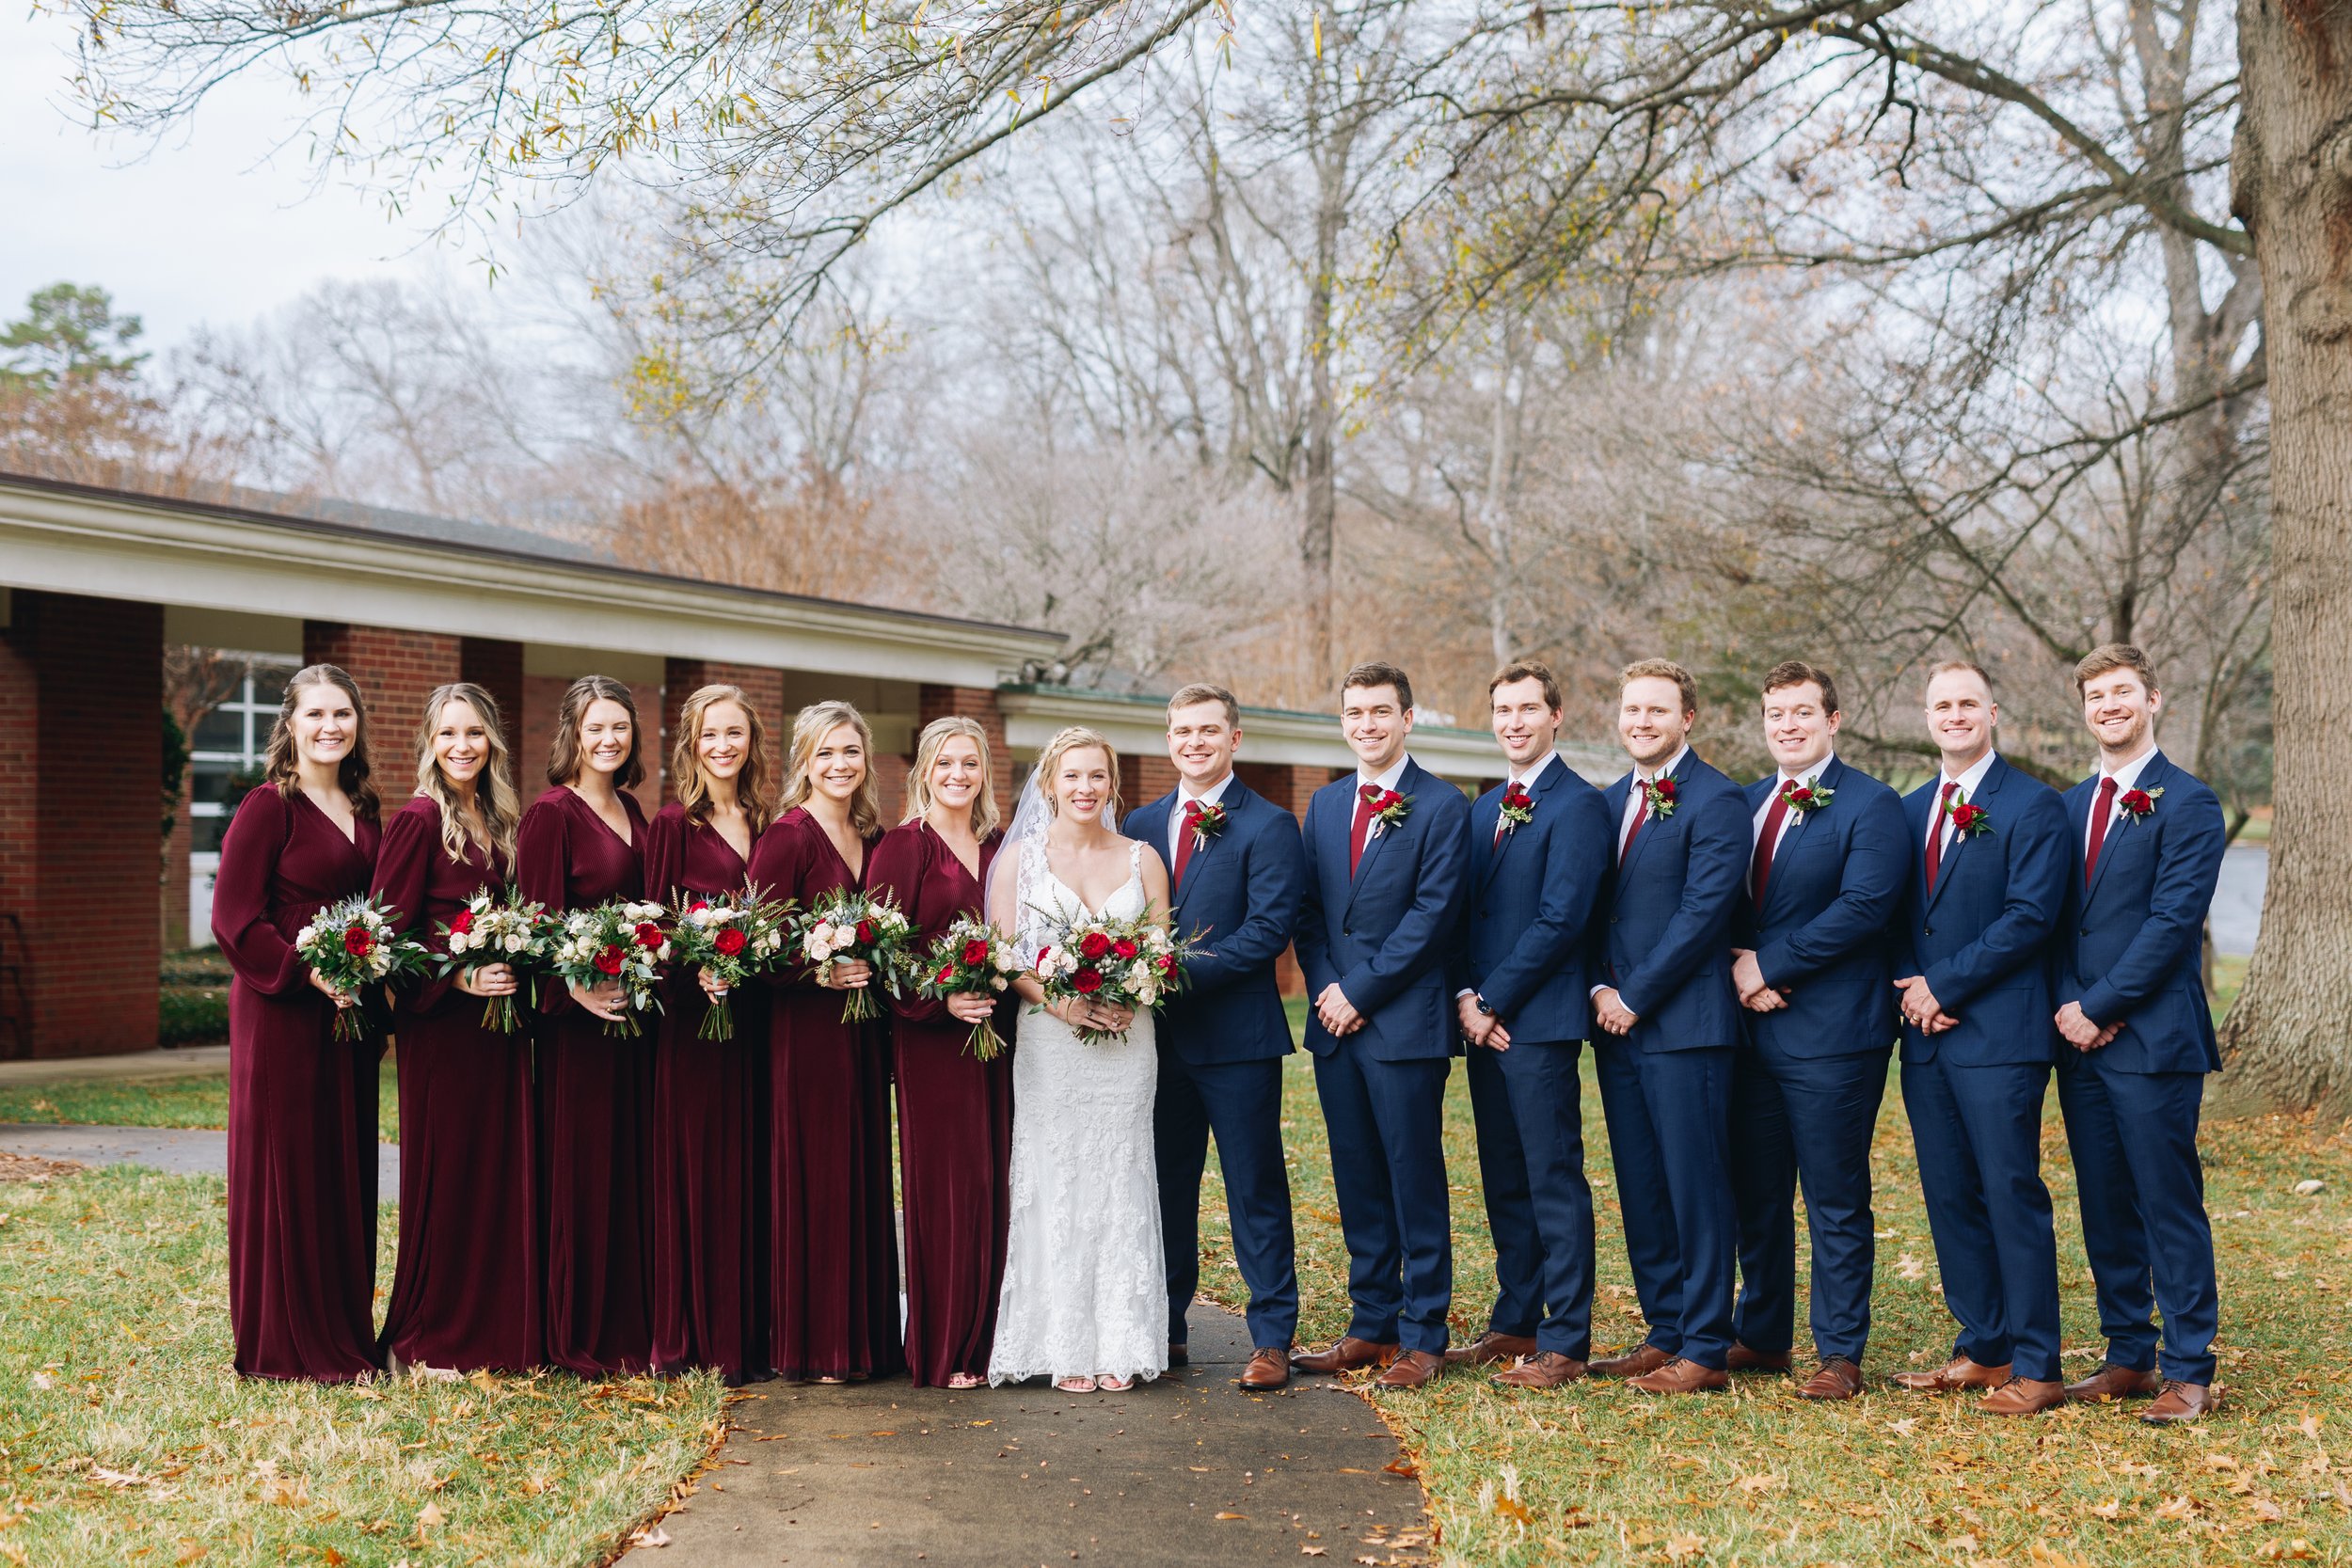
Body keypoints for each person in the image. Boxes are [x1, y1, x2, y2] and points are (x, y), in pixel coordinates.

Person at [2050, 644, 2228, 1424]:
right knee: (2103, 1200)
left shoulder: (2188, 802)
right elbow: (2051, 921)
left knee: (2166, 1202)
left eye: (2122, 691)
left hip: (2153, 1038)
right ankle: (2128, 1352)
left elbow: (2172, 923)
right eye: (2095, 695)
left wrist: (2102, 1004)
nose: (2109, 704)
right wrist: (2068, 1003)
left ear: (2153, 699)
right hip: (2078, 1037)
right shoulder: (2064, 806)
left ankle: (2189, 1369)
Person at [1724, 660, 1906, 1400]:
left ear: (1832, 720)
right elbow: (1721, 902)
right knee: (1755, 1192)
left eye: (1802, 712)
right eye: (1776, 714)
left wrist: (1767, 965)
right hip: (1750, 1033)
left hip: (1835, 1034)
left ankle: (1839, 1352)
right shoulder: (1742, 803)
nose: (1788, 725)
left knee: (1833, 1194)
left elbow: (1865, 908)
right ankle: (1762, 1332)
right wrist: (1739, 969)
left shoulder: (1872, 804)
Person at [1892, 659, 2071, 1415]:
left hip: (2000, 1033)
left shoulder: (2033, 806)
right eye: (1942, 704)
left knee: (2009, 1191)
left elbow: (2030, 917)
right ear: (1927, 715)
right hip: (1926, 1035)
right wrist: (1913, 986)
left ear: (1993, 711)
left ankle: (2040, 1364)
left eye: (1969, 702)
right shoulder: (1906, 810)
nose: (1955, 714)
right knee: (1948, 1193)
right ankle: (1984, 1344)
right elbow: (1893, 912)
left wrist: (1946, 985)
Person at [1290, 662, 1470, 1390]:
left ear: (1408, 718)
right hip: (1336, 1024)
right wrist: (1328, 988)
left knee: (1412, 1176)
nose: (1366, 724)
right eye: (1354, 713)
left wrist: (1359, 991)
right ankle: (1372, 1322)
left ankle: (1425, 1332)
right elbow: (1308, 913)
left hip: (1404, 1023)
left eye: (1380, 712)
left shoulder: (1442, 805)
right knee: (1357, 1176)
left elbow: (1434, 917)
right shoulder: (1327, 804)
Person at [1123, 684, 1307, 1390]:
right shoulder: (1139, 822)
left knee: (1253, 1186)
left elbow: (1267, 932)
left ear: (1234, 739)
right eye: (1181, 731)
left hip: (1237, 1041)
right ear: (1168, 739)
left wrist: (1169, 973)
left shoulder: (1268, 824)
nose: (1193, 742)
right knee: (1165, 1187)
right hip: (1157, 1045)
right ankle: (1165, 1326)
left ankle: (1270, 1337)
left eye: (1207, 730)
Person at [987, 726, 1174, 1392]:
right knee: (1056, 1175)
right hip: (1050, 1039)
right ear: (1050, 784)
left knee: (1120, 1172)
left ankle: (1120, 1340)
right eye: (1072, 776)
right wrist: (1061, 1004)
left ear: (1111, 784)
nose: (1085, 787)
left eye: (1097, 775)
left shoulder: (1142, 858)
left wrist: (1135, 989)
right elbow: (1006, 954)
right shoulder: (1022, 861)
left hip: (1127, 1040)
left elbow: (1160, 950)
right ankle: (1060, 1339)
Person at [213, 663, 384, 1381]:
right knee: (289, 1167)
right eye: (315, 714)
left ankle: (343, 1329)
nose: (329, 727)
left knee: (343, 1163)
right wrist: (305, 969)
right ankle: (284, 1342)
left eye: (342, 713)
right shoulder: (267, 807)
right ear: (290, 725)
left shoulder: (367, 809)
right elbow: (232, 918)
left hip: (350, 1017)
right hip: (282, 1011)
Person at [1585, 658, 1751, 1395]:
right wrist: (1598, 985)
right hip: (1615, 1025)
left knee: (1696, 1185)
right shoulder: (1611, 798)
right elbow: (1596, 907)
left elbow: (1703, 914)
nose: (1642, 722)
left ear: (1687, 718)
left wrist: (1636, 994)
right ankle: (1665, 1329)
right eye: (1632, 710)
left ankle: (1708, 1346)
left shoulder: (1718, 799)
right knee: (1642, 1183)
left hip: (1685, 1025)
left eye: (1658, 711)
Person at [1448, 659, 1613, 1390]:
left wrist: (1495, 1000)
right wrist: (1465, 998)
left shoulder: (1579, 805)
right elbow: (1462, 916)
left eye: (1526, 709)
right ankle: (1514, 1317)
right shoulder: (1483, 809)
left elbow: (1562, 919)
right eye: (1502, 710)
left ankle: (1565, 1337)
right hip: (1484, 1023)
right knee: (1504, 1176)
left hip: (1538, 1024)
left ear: (1556, 716)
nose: (1513, 722)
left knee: (1552, 1177)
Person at [372, 681, 540, 1376]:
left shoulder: (499, 819)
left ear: (492, 741)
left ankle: (495, 1329)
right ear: (429, 744)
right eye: (448, 734)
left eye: (473, 733)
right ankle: (432, 1335)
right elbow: (389, 936)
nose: (461, 746)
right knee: (450, 1173)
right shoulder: (417, 820)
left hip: (500, 1032)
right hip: (441, 1029)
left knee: (498, 1173)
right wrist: (459, 974)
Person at [748, 701, 903, 1384]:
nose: (839, 765)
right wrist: (819, 967)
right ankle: (815, 1344)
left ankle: (864, 1338)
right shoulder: (787, 836)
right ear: (804, 761)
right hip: (806, 1038)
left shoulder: (875, 835)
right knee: (816, 1177)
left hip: (863, 1034)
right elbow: (757, 945)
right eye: (825, 753)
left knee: (860, 1173)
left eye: (850, 752)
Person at [867, 715, 1015, 1390]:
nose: (958, 775)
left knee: (995, 1184)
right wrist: (941, 1000)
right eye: (946, 763)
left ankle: (991, 1341)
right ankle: (944, 1346)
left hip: (1000, 1037)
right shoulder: (905, 846)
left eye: (971, 764)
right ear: (924, 769)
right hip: (932, 1042)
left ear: (986, 771)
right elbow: (883, 953)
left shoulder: (1001, 843)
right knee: (950, 1189)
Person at [517, 673, 657, 1377]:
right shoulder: (550, 814)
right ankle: (578, 1331)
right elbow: (536, 926)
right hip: (577, 1030)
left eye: (620, 727)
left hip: (631, 1023)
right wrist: (576, 985)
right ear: (572, 733)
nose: (609, 739)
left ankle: (629, 1322)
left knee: (629, 1171)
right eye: (596, 727)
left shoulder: (632, 807)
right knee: (583, 1172)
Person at [645, 684, 773, 1385]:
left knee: (752, 1169)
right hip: (694, 1025)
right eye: (709, 735)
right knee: (698, 1168)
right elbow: (655, 927)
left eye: (735, 733)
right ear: (690, 745)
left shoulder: (765, 819)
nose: (723, 746)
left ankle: (747, 1330)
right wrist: (695, 969)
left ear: (751, 742)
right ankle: (693, 1334)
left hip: (754, 1022)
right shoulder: (673, 825)